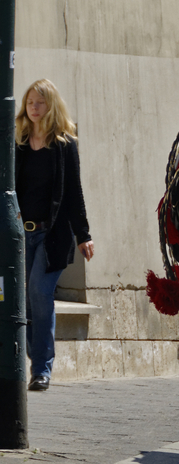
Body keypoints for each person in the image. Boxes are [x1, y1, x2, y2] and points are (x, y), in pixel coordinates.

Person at [14, 79, 94, 392]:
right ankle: (36, 362)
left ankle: (42, 369)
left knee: (38, 292)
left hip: (52, 235)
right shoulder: (17, 142)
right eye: (30, 102)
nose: (34, 108)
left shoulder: (64, 145)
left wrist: (83, 234)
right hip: (21, 235)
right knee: (27, 301)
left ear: (52, 106)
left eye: (40, 102)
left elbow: (74, 192)